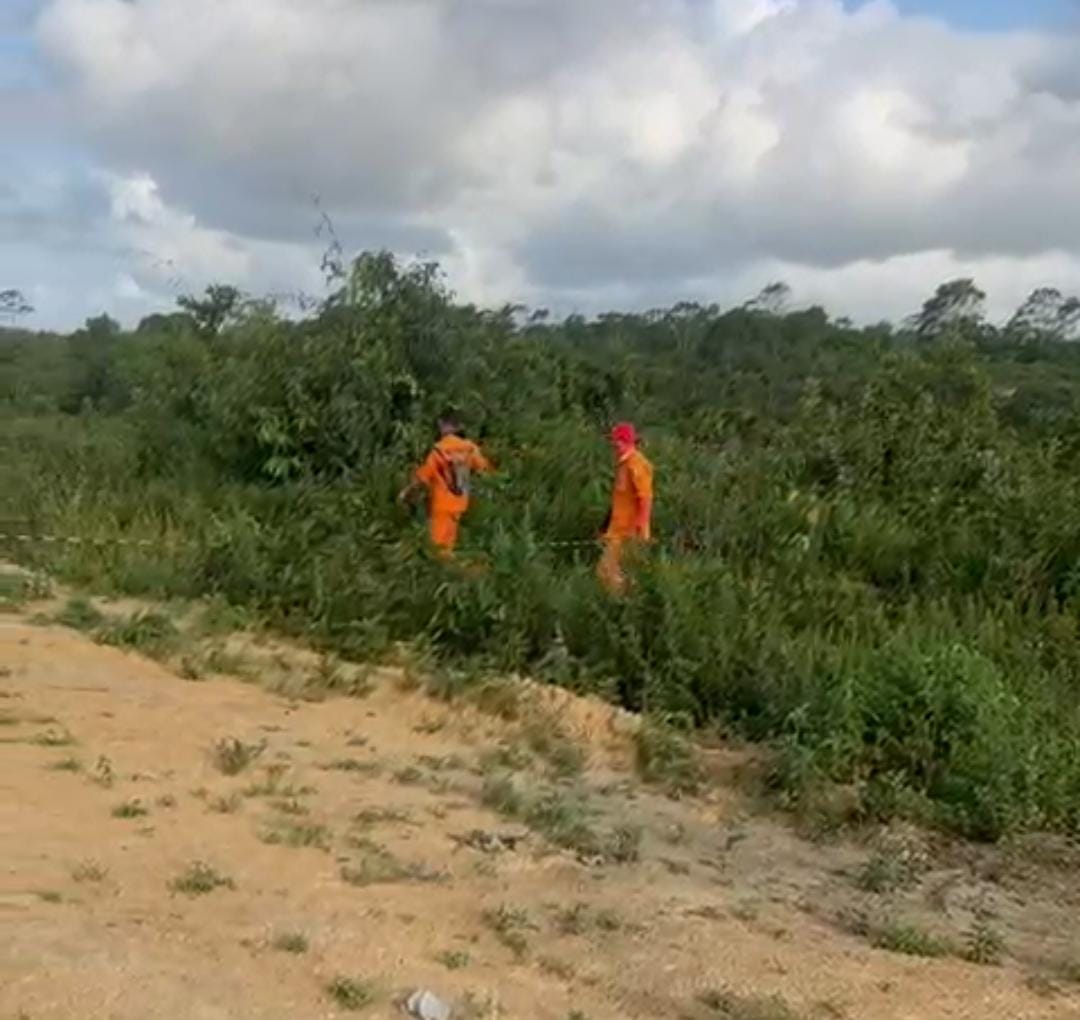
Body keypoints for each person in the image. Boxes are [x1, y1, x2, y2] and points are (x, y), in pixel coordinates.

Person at [399, 414, 493, 557]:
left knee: (436, 547)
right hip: (460, 502)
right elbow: (483, 467)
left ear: (444, 428)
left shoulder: (439, 450)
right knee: (448, 545)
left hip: (441, 503)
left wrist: (406, 492)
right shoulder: (469, 447)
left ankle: (439, 573)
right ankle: (448, 571)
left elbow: (423, 476)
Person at [598, 421, 653, 593]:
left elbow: (645, 497)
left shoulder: (636, 463)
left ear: (624, 441)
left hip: (629, 532)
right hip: (617, 530)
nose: (613, 445)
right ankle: (627, 605)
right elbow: (619, 500)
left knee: (606, 572)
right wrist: (604, 526)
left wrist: (639, 527)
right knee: (619, 575)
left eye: (616, 441)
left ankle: (620, 605)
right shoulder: (623, 464)